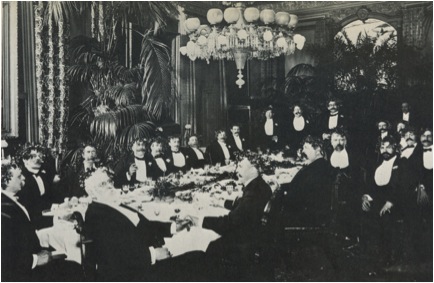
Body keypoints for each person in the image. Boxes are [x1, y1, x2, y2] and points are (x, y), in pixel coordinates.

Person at [83, 168, 192, 281]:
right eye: (102, 184)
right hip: (135, 273)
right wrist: (153, 255)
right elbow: (113, 254)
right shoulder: (96, 215)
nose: (109, 186)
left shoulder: (111, 204)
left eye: (109, 181)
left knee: (195, 252)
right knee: (196, 260)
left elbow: (144, 226)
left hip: (145, 259)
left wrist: (173, 227)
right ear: (92, 193)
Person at [187, 152, 273, 280]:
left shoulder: (253, 191)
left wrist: (199, 221)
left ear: (253, 170)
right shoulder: (259, 185)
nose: (237, 169)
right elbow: (242, 205)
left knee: (206, 244)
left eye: (241, 167)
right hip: (253, 232)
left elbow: (229, 222)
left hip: (244, 240)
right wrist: (220, 202)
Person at [1, 163, 82, 281]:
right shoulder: (4, 209)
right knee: (75, 269)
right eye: (19, 176)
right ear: (5, 180)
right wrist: (35, 260)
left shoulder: (9, 199)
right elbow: (6, 253)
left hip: (30, 257)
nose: (23, 178)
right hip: (22, 270)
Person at [361, 137, 403, 267]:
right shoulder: (377, 164)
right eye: (382, 147)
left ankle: (388, 256)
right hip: (378, 200)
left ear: (395, 148)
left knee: (385, 217)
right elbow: (372, 186)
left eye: (388, 147)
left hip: (396, 201)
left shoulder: (401, 163)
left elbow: (400, 187)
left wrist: (390, 202)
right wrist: (366, 198)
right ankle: (369, 255)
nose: (385, 150)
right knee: (363, 213)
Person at [282, 135, 332, 227]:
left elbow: (298, 196)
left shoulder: (316, 170)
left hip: (305, 217)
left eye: (306, 148)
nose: (303, 151)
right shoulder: (320, 165)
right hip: (306, 211)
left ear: (317, 151)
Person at [327, 129, 360, 242]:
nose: (339, 143)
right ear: (331, 142)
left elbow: (357, 177)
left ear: (346, 141)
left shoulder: (352, 156)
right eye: (335, 140)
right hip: (330, 191)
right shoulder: (327, 154)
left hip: (348, 192)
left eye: (342, 139)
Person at [16, 145, 56, 229]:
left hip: (48, 216)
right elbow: (29, 205)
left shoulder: (44, 175)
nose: (38, 158)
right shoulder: (21, 178)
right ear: (25, 160)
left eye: (40, 156)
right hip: (32, 222)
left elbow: (51, 196)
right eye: (33, 156)